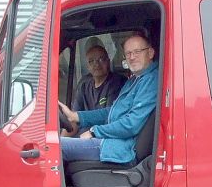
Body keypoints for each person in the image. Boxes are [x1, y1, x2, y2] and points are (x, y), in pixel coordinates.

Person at [59, 32, 158, 164]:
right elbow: (111, 112)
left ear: (150, 53)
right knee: (57, 144)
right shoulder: (135, 80)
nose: (132, 57)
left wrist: (95, 132)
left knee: (54, 148)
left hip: (120, 148)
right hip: (113, 142)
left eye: (137, 51)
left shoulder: (151, 80)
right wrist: (75, 116)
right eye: (128, 53)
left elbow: (131, 125)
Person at [71, 45, 126, 112]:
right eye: (91, 61)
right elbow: (75, 113)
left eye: (101, 59)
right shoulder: (83, 85)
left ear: (108, 62)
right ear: (87, 66)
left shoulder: (118, 82)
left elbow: (109, 115)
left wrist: (81, 118)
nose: (96, 64)